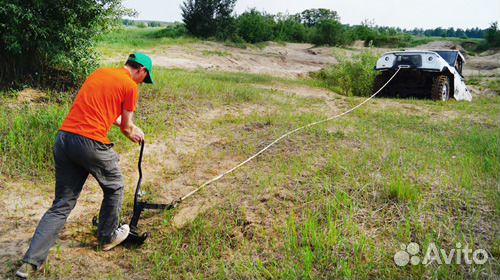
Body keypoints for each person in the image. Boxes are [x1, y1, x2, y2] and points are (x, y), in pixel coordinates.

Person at [16, 53, 154, 279]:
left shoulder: (100, 73)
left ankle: (30, 263)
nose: (142, 83)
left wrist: (129, 125)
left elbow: (103, 112)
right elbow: (126, 129)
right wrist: (134, 133)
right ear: (141, 71)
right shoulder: (130, 86)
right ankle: (108, 236)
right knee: (115, 185)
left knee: (62, 203)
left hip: (64, 139)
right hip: (89, 142)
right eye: (144, 78)